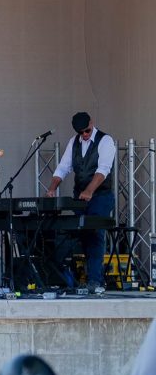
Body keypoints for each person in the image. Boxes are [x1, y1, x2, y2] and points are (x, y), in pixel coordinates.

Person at [45, 111, 116, 293]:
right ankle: (87, 278)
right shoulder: (73, 142)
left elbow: (103, 170)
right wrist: (52, 187)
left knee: (95, 236)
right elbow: (63, 167)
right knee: (83, 236)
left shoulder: (106, 141)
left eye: (87, 130)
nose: (84, 135)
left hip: (100, 196)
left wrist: (90, 190)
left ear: (92, 123)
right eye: (81, 132)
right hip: (81, 196)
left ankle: (95, 281)